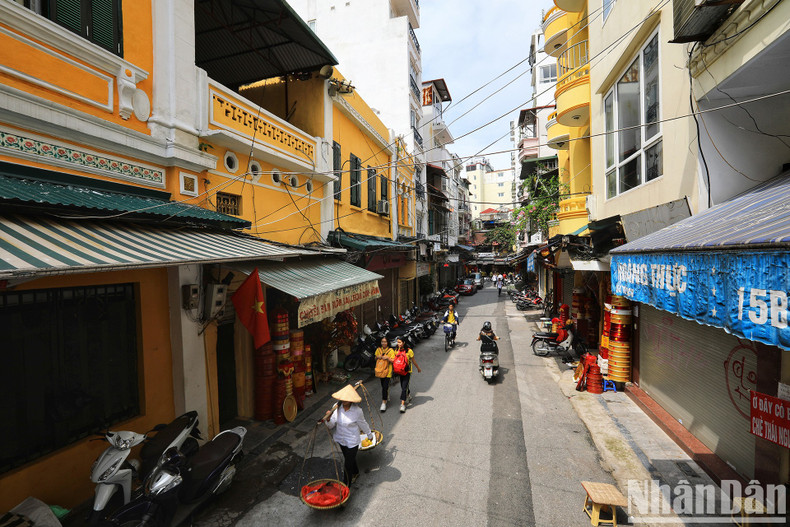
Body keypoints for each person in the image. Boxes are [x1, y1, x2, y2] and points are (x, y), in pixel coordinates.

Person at [320, 384, 374, 486]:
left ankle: (346, 487)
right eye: (343, 398)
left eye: (347, 398)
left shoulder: (357, 411)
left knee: (347, 465)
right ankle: (356, 473)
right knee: (349, 459)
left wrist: (369, 434)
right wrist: (328, 419)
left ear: (351, 400)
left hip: (353, 441)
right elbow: (331, 425)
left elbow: (363, 423)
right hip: (341, 439)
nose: (344, 400)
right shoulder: (336, 408)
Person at [394, 336, 421, 413]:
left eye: (400, 342)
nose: (398, 344)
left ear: (404, 342)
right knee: (403, 386)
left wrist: (418, 368)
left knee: (404, 387)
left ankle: (402, 404)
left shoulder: (409, 351)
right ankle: (408, 394)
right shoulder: (396, 350)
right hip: (400, 371)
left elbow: (413, 361)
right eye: (398, 342)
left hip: (407, 372)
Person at [375, 336, 395, 412]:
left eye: (385, 342)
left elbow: (393, 361)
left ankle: (384, 402)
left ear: (388, 342)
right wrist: (378, 357)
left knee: (384, 387)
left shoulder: (390, 351)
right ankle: (386, 394)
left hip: (388, 372)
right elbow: (374, 358)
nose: (383, 343)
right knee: (383, 385)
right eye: (382, 341)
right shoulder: (378, 350)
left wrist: (388, 358)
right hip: (380, 371)